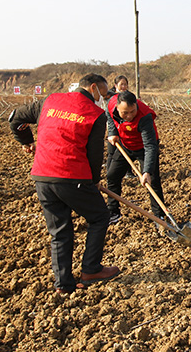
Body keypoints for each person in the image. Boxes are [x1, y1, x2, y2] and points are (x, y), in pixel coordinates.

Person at [9, 73, 120, 294]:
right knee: (100, 217)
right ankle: (91, 269)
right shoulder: (95, 114)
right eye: (103, 94)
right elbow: (95, 154)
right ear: (93, 88)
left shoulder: (49, 101)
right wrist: (94, 182)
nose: (103, 99)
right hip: (72, 176)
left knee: (60, 230)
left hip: (42, 176)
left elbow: (15, 119)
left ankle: (64, 285)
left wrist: (27, 141)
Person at [105, 90, 167, 225]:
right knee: (112, 176)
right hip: (125, 145)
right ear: (117, 108)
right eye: (125, 113)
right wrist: (112, 132)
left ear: (136, 105)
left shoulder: (144, 116)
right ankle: (113, 212)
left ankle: (159, 216)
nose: (129, 116)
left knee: (153, 181)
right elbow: (109, 116)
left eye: (132, 111)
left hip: (145, 148)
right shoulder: (110, 104)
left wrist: (147, 171)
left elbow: (150, 146)